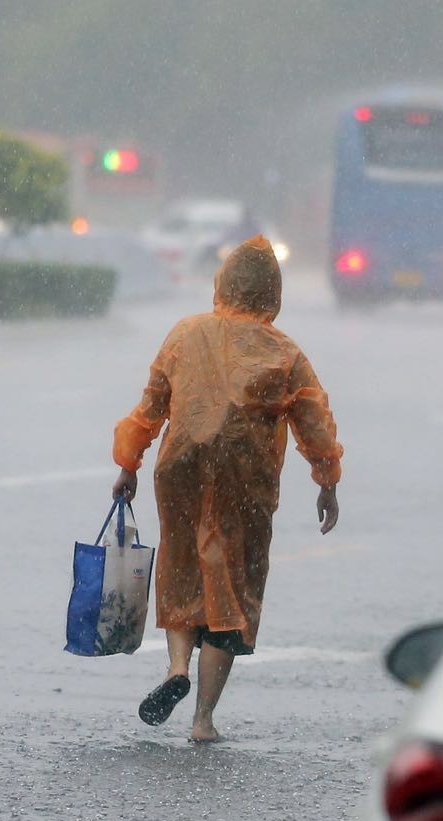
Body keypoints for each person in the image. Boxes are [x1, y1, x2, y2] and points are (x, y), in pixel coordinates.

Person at [111, 235, 343, 743]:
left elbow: (151, 404)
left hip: (181, 468)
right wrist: (326, 480)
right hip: (245, 475)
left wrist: (128, 463)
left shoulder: (184, 333)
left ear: (223, 283)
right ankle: (202, 720)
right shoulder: (284, 351)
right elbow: (313, 419)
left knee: (182, 564)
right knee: (231, 585)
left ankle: (176, 667)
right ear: (272, 293)